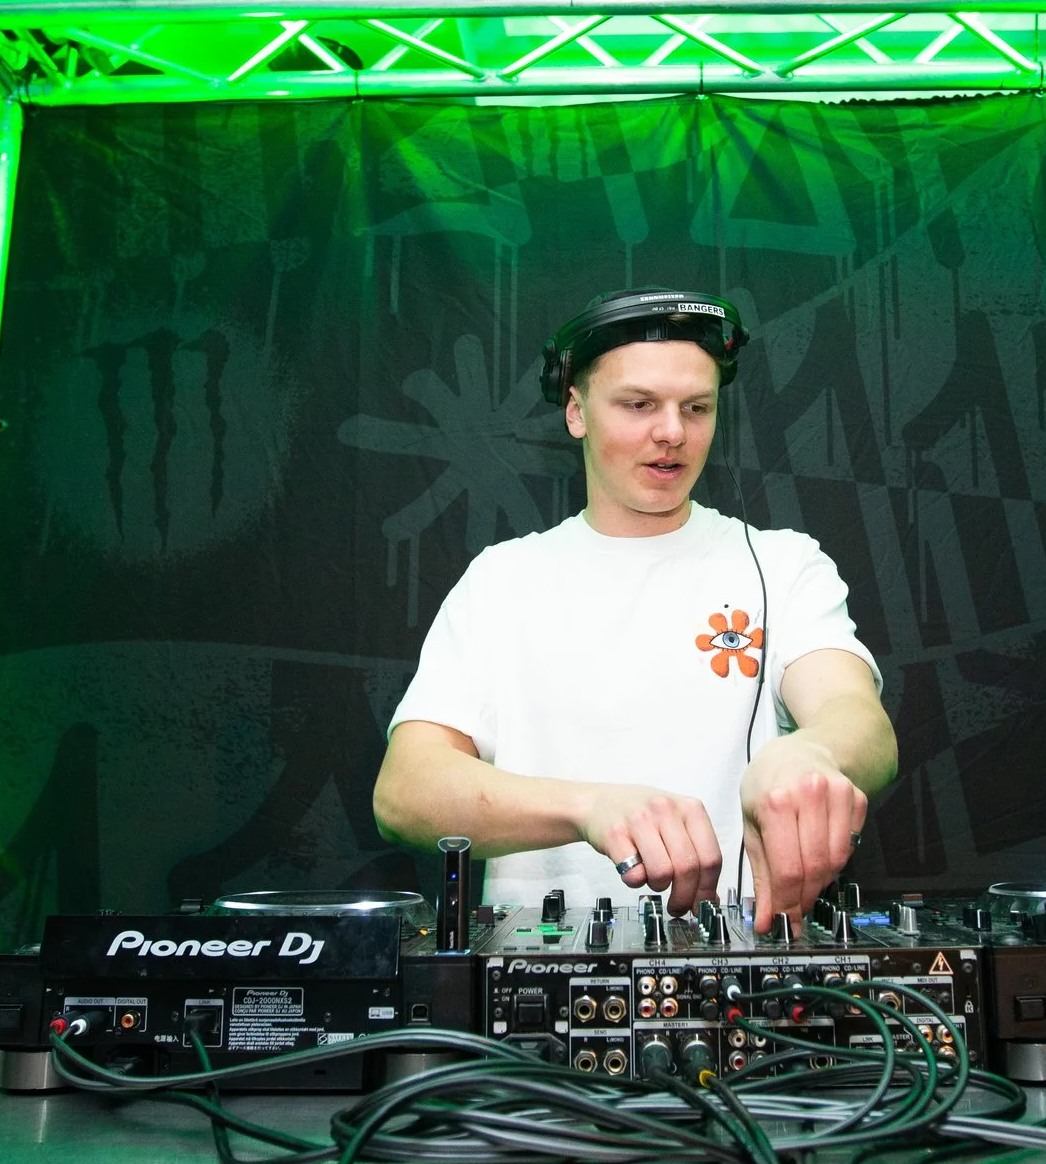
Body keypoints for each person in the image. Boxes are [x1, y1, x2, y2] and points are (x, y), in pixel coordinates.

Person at [374, 289, 897, 934]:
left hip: (747, 963)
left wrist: (811, 753)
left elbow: (859, 721)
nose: (672, 432)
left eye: (696, 407)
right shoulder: (502, 579)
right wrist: (589, 808)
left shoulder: (784, 564)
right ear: (576, 412)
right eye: (638, 404)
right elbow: (404, 793)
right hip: (538, 969)